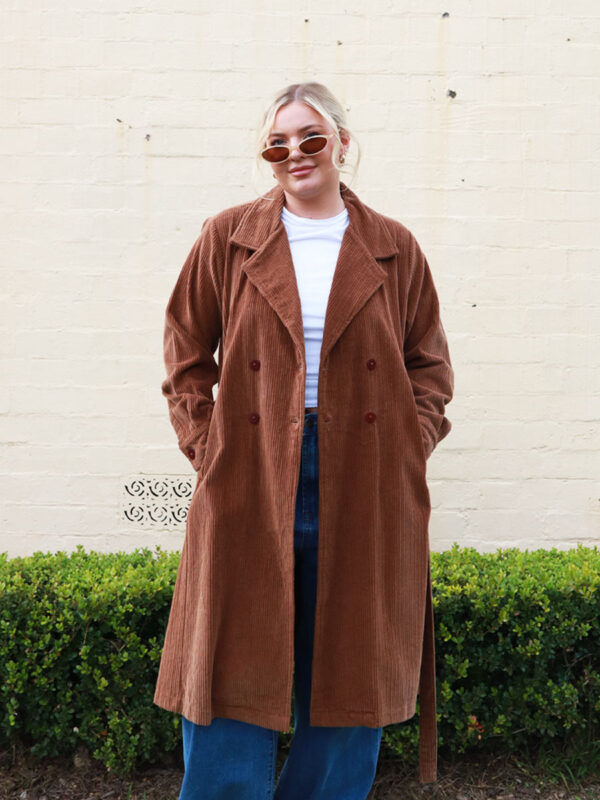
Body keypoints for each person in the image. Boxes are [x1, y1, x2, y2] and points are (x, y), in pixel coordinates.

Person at [155, 81, 454, 799]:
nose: (296, 155)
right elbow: (185, 353)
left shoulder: (393, 247)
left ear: (343, 146)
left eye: (312, 138)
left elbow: (430, 366)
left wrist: (410, 441)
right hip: (251, 468)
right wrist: (209, 447)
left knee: (355, 659)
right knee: (229, 651)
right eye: (277, 145)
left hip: (366, 470)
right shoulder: (229, 237)